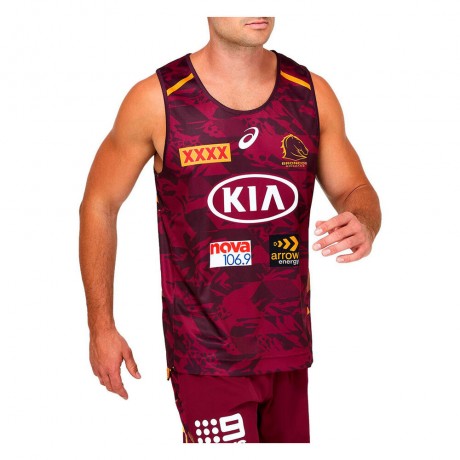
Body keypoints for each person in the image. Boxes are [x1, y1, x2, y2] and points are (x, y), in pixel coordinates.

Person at [79, 17, 381, 444]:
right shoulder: (158, 99)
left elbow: (356, 190)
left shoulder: (310, 94)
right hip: (205, 356)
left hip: (289, 350)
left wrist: (364, 221)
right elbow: (99, 204)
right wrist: (101, 327)